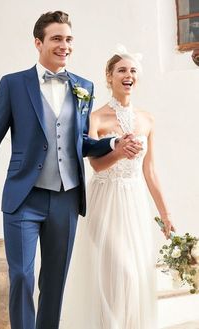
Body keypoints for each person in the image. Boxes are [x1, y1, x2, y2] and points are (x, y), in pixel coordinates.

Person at [0, 13, 142, 329]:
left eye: (69, 39)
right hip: (23, 198)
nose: (64, 45)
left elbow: (79, 143)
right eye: (57, 38)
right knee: (21, 275)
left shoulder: (83, 87)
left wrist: (113, 141)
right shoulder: (13, 84)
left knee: (55, 281)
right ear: (38, 43)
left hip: (66, 198)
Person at [60, 45, 175, 329]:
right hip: (105, 200)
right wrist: (120, 151)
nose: (128, 75)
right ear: (109, 77)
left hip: (134, 202)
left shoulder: (147, 119)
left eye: (133, 70)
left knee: (136, 276)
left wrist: (166, 215)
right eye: (121, 70)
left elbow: (150, 170)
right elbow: (96, 165)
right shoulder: (96, 117)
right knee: (120, 273)